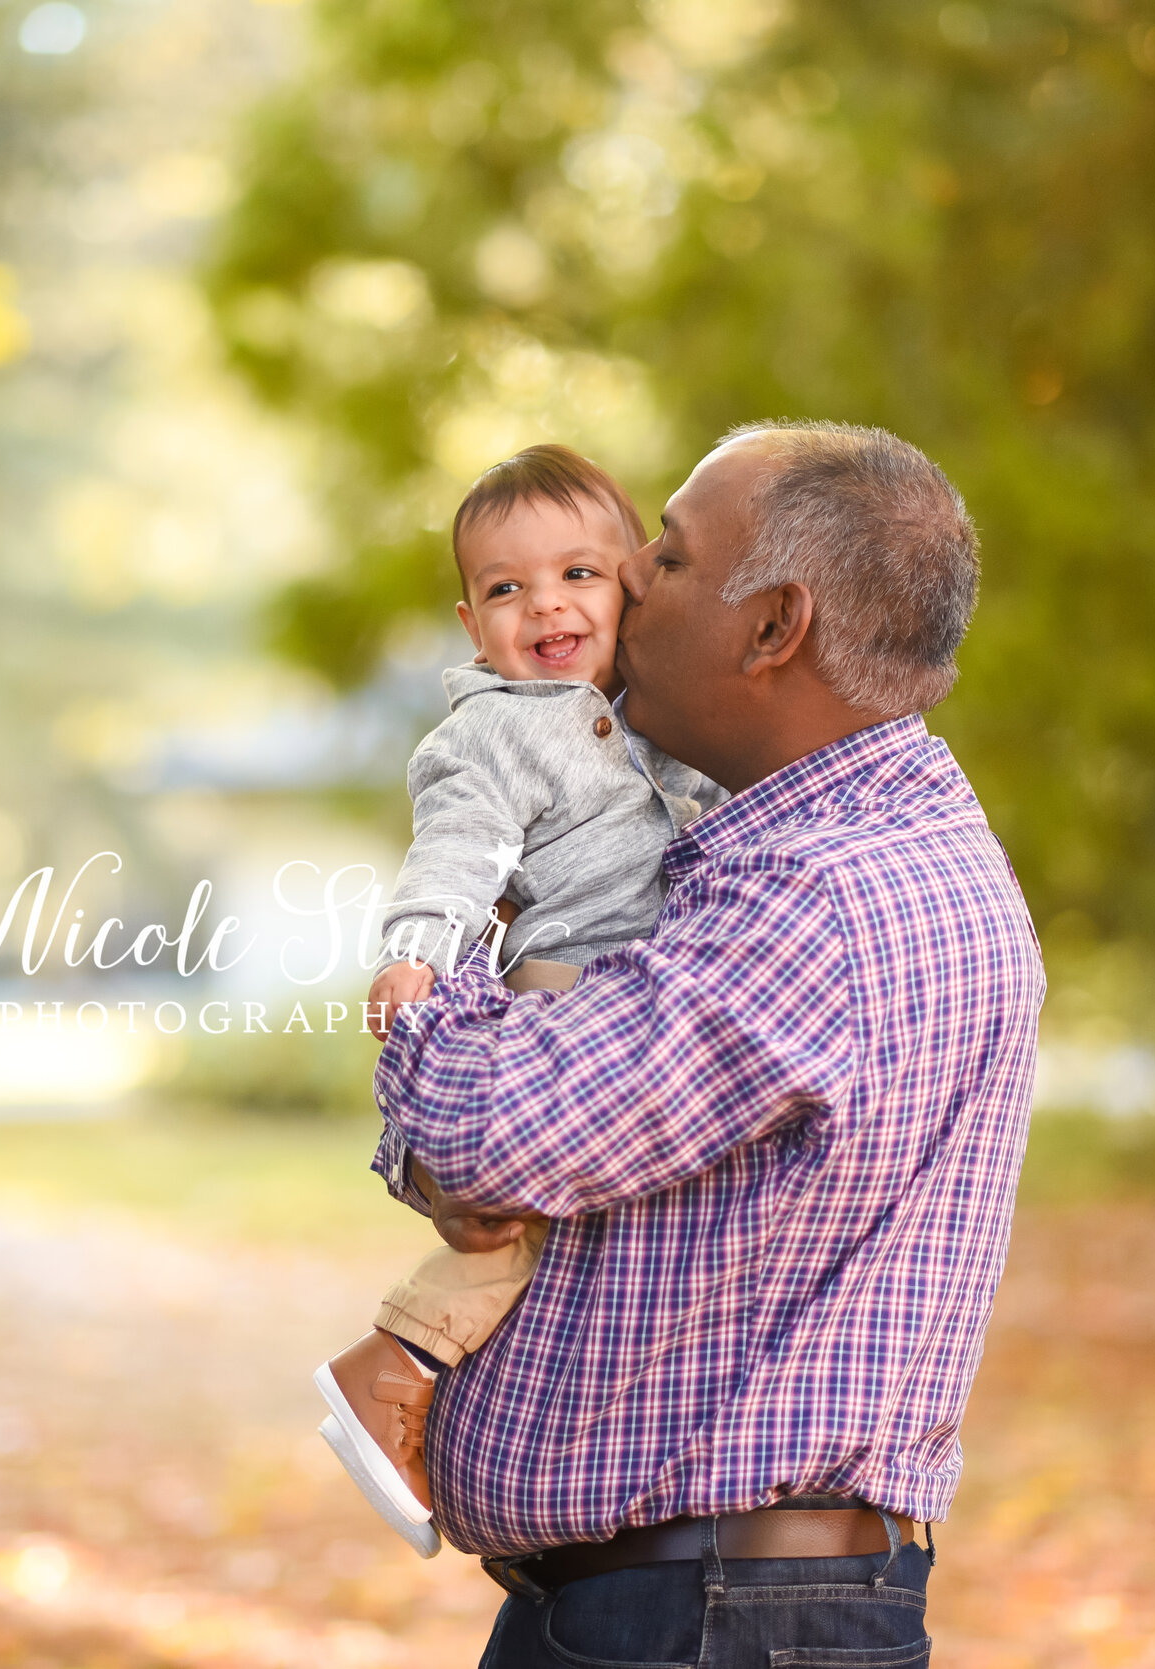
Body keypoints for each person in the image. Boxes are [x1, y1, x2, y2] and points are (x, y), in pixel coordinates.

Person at [370, 421, 1044, 1666]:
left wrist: (438, 968)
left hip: (702, 1622)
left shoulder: (817, 898)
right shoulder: (811, 855)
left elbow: (478, 1129)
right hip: (707, 1608)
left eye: (665, 560)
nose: (621, 580)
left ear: (774, 625)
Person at [313, 444, 726, 1558]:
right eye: (507, 588)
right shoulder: (489, 734)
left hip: (650, 994)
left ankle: (471, 1404)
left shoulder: (668, 712)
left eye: (578, 575)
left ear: (634, 583)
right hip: (564, 994)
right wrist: (419, 954)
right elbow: (457, 852)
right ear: (470, 621)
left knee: (587, 1238)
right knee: (515, 1225)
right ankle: (393, 1370)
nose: (544, 602)